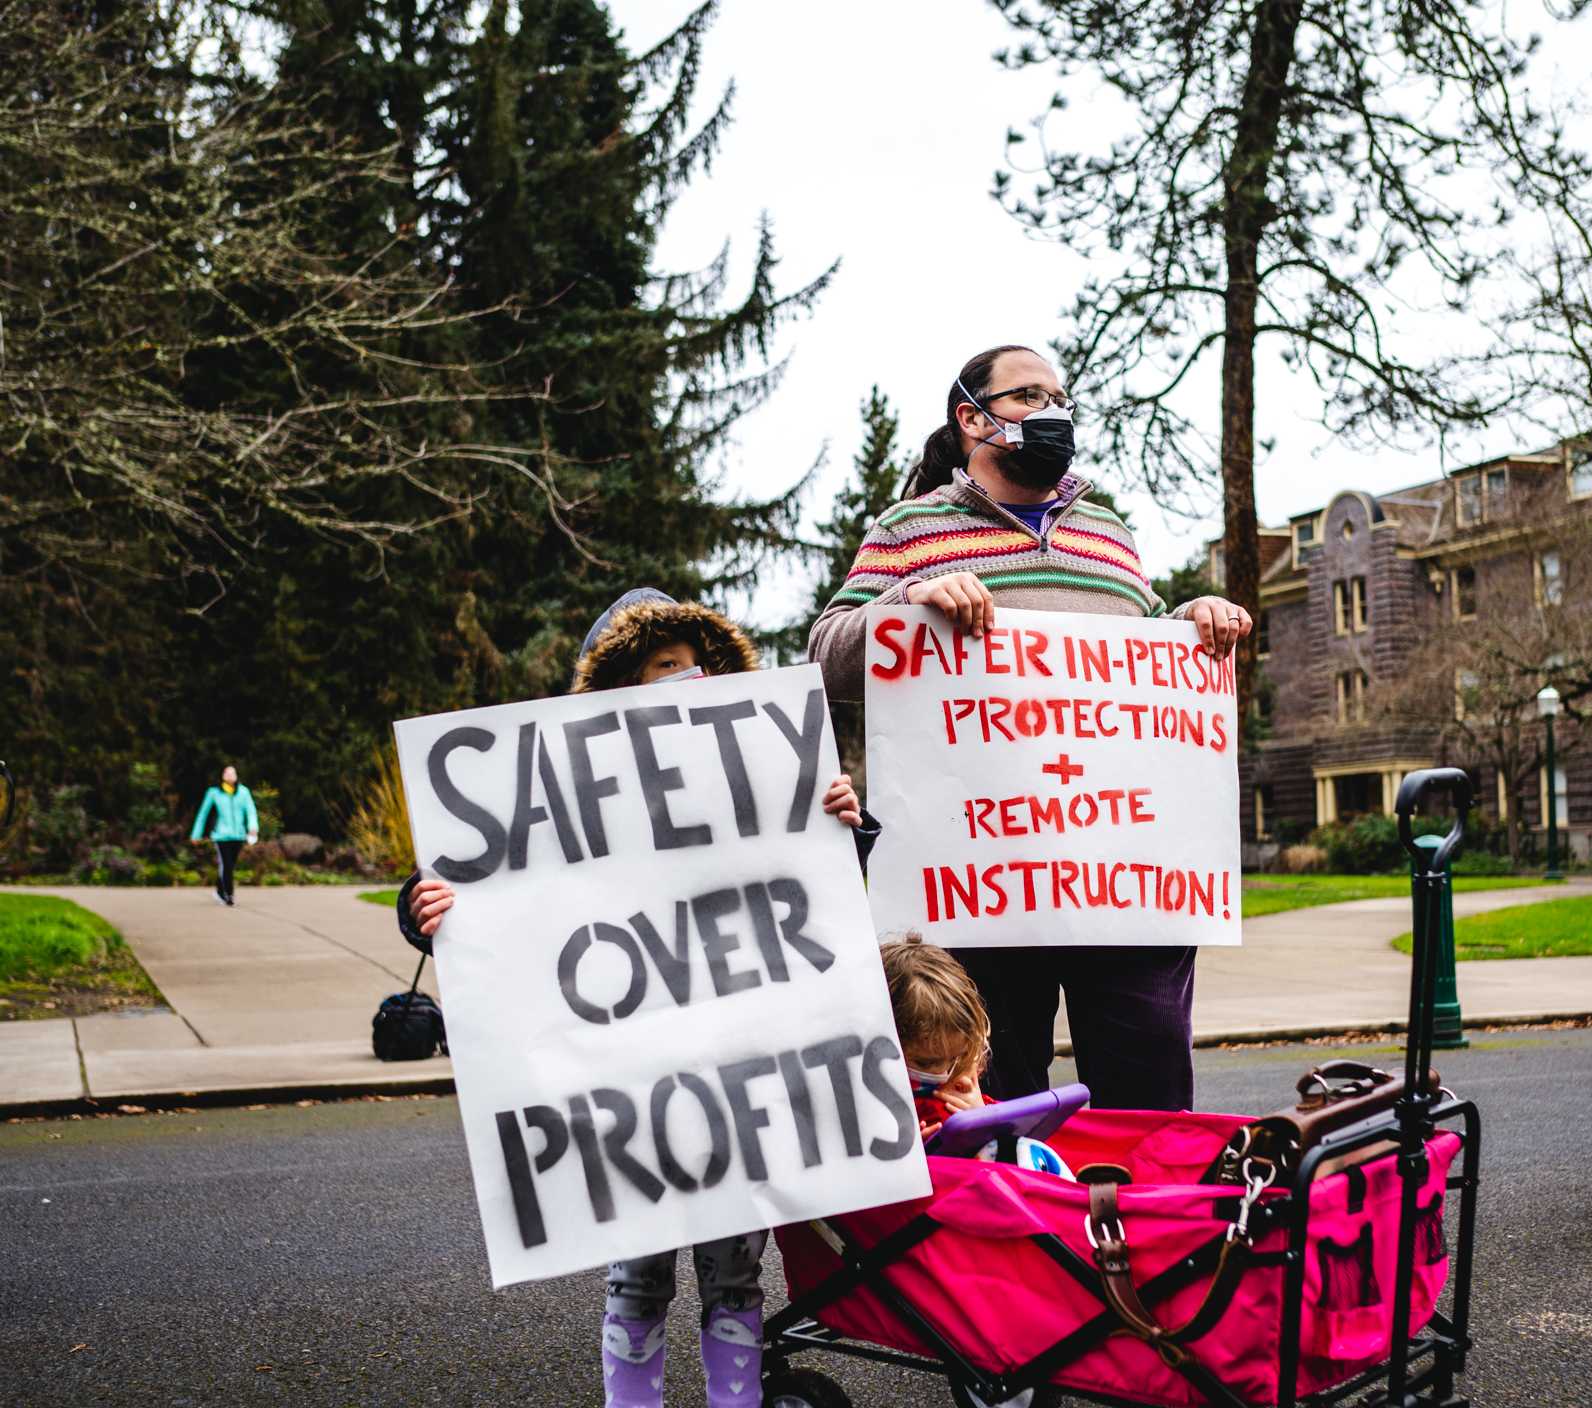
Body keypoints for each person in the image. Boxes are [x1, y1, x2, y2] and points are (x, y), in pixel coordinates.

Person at [399, 588, 875, 1408]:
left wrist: (841, 825)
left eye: (698, 668)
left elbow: (816, 900)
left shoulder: (755, 787)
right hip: (636, 1087)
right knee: (638, 1275)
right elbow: (502, 895)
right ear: (623, 683)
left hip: (735, 1074)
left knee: (736, 1273)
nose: (686, 681)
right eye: (665, 668)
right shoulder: (567, 802)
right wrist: (428, 908)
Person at [807, 344, 1252, 1115]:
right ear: (971, 418)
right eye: (1027, 396)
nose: (1052, 412)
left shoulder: (1107, 529)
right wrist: (910, 600)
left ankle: (1139, 1232)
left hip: (1122, 880)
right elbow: (827, 651)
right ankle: (1017, 1234)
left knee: (1147, 1096)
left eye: (1060, 397)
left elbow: (1143, 656)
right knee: (992, 1095)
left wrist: (1191, 623)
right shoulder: (911, 526)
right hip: (980, 884)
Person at [880, 933, 992, 1140]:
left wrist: (984, 1117)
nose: (943, 1073)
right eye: (925, 1063)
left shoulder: (965, 1079)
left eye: (956, 1057)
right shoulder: (865, 1108)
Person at [190, 765, 258, 907]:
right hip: (221, 836)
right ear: (222, 776)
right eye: (227, 773)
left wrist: (253, 828)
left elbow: (251, 811)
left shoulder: (243, 792)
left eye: (233, 773)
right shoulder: (214, 793)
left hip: (238, 835)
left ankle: (220, 890)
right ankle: (229, 895)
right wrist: (196, 834)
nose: (230, 775)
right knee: (226, 865)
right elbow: (203, 814)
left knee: (229, 866)